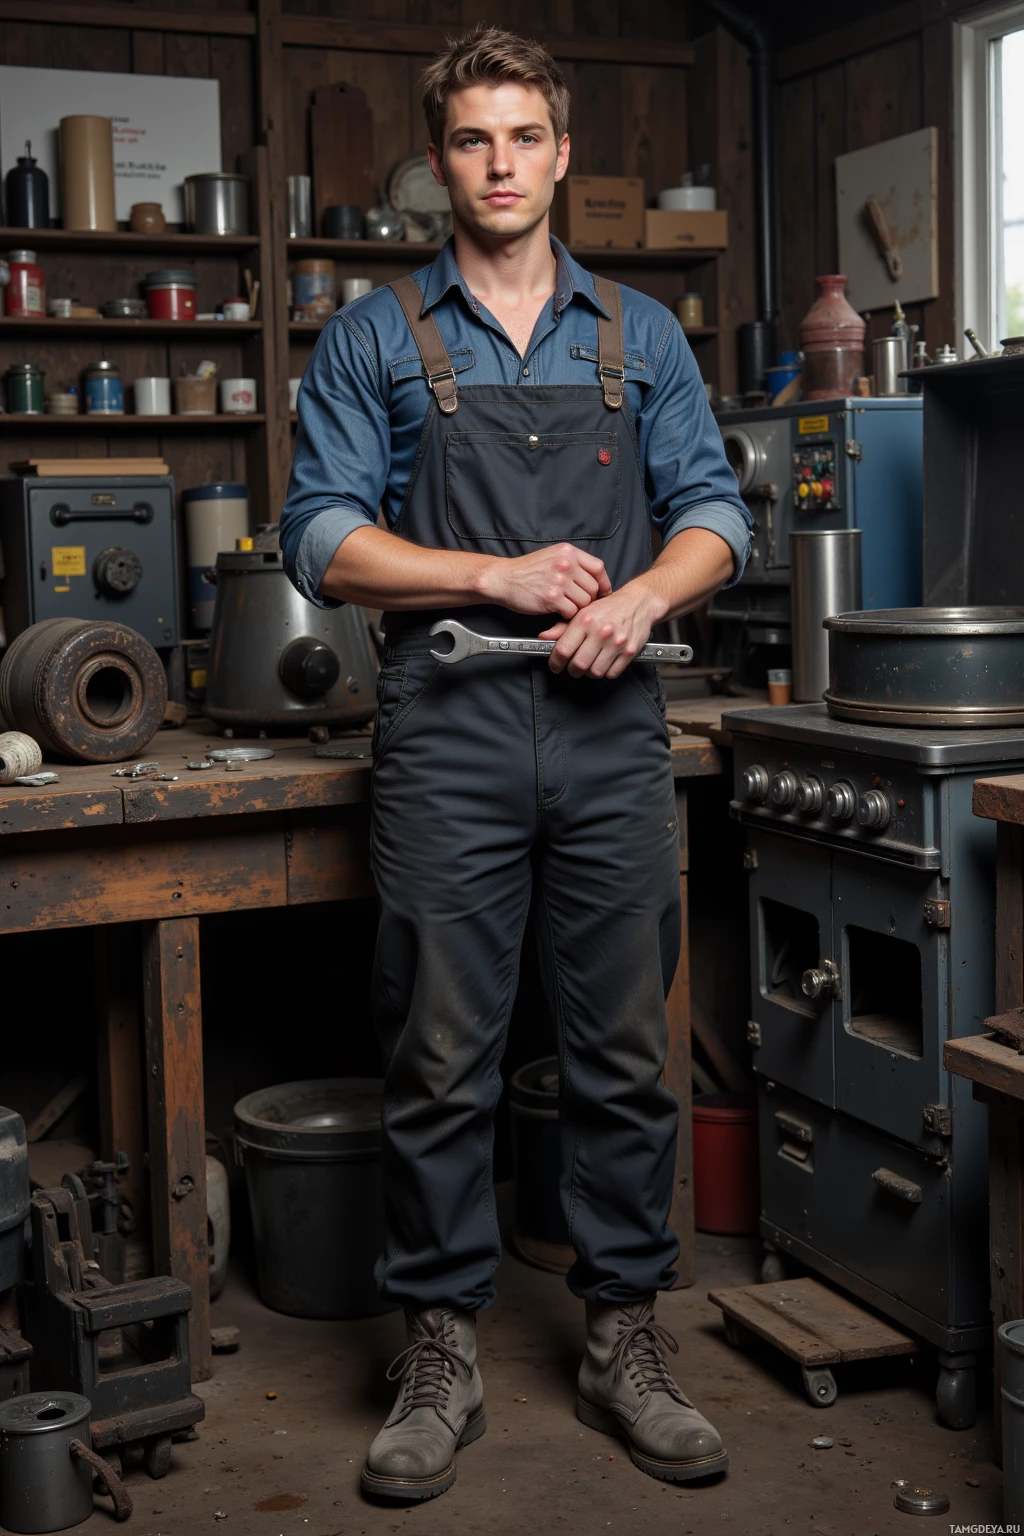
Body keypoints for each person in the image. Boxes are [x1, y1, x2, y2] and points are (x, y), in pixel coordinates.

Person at [281, 23, 752, 1503]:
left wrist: (641, 596)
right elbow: (319, 538)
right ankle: (440, 1346)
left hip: (614, 737)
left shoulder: (641, 335)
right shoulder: (375, 335)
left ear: (561, 153)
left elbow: (718, 518)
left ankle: (624, 1336)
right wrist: (489, 578)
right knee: (440, 1056)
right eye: (472, 140)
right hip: (449, 732)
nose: (499, 164)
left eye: (524, 138)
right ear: (441, 162)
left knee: (622, 1053)